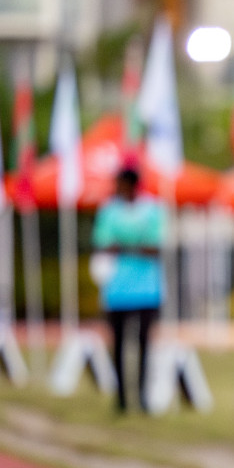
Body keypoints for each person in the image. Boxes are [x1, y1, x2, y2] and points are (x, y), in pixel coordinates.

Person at [92, 164, 165, 414]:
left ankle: (143, 397)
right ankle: (122, 397)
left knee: (145, 345)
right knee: (119, 344)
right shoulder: (109, 210)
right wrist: (136, 247)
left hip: (147, 289)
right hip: (117, 289)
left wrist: (123, 247)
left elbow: (156, 249)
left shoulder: (152, 209)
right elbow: (102, 245)